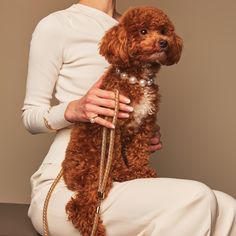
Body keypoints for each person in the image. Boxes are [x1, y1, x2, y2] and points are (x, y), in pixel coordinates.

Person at [22, 0, 236, 235]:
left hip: (120, 178)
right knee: (197, 197)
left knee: (227, 206)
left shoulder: (133, 25)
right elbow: (31, 115)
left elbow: (136, 96)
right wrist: (75, 109)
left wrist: (136, 126)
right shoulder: (58, 24)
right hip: (68, 182)